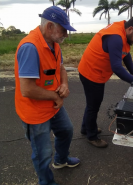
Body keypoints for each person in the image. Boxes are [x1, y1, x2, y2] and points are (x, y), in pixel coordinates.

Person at [14, 6, 79, 185]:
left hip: (53, 105)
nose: (65, 34)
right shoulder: (30, 47)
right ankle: (46, 182)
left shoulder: (54, 43)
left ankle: (61, 160)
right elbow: (27, 89)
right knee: (43, 153)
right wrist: (55, 96)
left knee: (66, 130)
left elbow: (61, 68)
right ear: (50, 26)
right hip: (35, 112)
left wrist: (64, 84)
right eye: (63, 29)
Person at [78, 15, 133, 148]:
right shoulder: (116, 37)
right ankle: (92, 136)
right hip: (91, 73)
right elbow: (116, 67)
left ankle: (86, 128)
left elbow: (125, 53)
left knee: (91, 104)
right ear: (130, 29)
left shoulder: (123, 31)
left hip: (93, 70)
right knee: (93, 106)